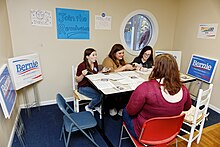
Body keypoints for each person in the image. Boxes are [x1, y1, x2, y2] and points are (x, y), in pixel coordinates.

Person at [123, 53, 192, 139]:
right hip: (169, 133)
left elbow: (131, 111)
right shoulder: (183, 89)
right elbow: (187, 107)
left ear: (156, 68)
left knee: (125, 110)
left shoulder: (145, 88)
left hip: (144, 134)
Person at [102, 44, 135, 116]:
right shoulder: (108, 60)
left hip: (120, 81)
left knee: (129, 91)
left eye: (123, 53)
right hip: (110, 82)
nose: (122, 55)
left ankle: (122, 108)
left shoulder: (121, 60)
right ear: (114, 53)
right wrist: (124, 67)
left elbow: (126, 67)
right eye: (119, 53)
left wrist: (133, 67)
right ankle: (111, 107)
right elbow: (110, 72)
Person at [76, 48, 103, 115]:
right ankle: (89, 107)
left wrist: (102, 71)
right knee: (98, 96)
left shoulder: (95, 63)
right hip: (83, 87)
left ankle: (96, 106)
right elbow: (77, 80)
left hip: (93, 85)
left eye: (96, 55)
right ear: (87, 56)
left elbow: (95, 74)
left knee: (103, 94)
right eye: (93, 55)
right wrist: (82, 74)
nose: (95, 56)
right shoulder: (82, 65)